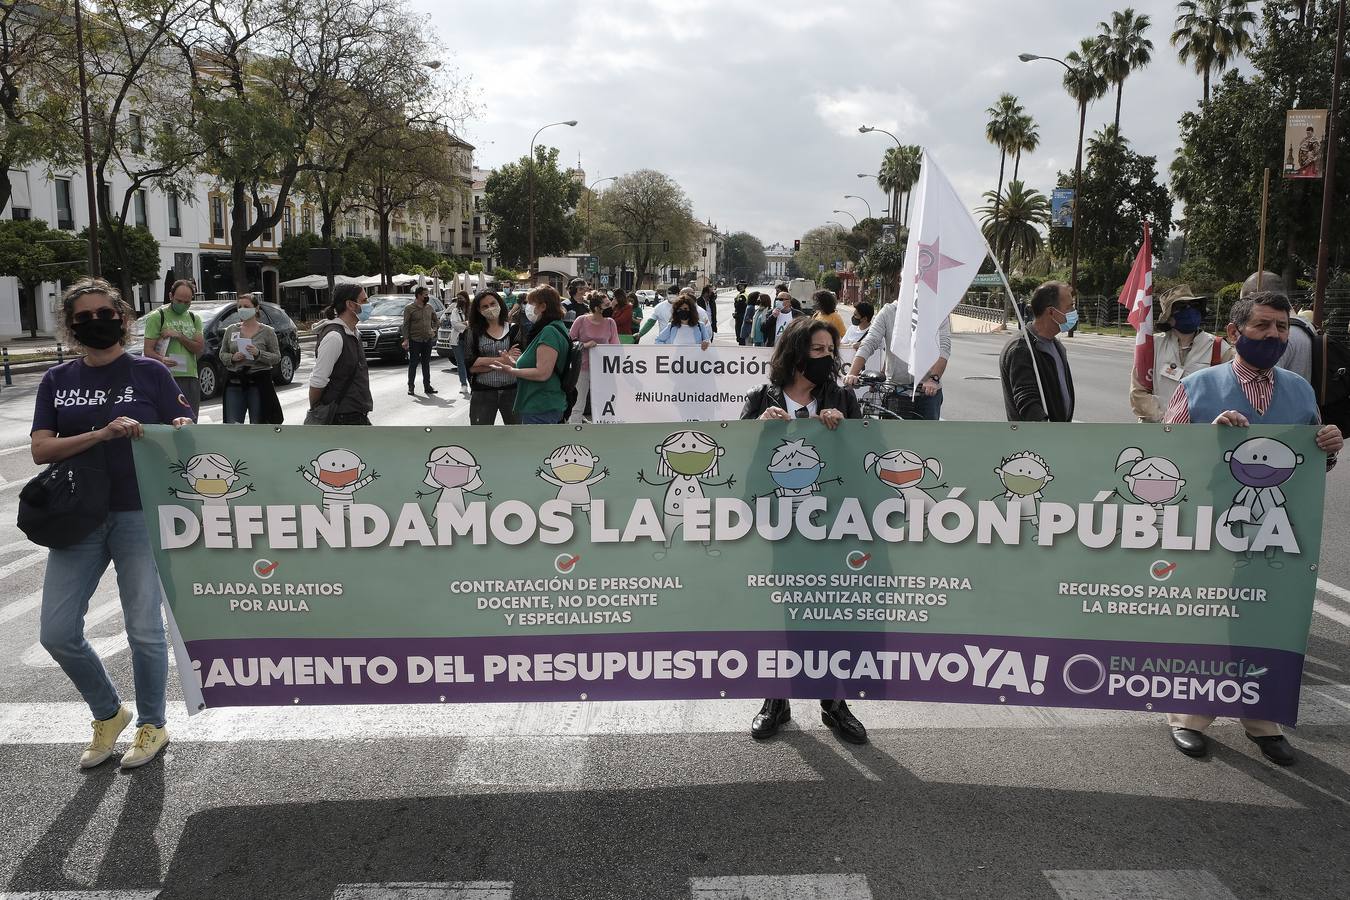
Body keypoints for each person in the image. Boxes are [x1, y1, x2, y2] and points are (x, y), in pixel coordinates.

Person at [1162, 291, 1342, 766]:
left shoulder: (1301, 391)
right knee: (1208, 621)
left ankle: (1261, 718)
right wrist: (1209, 435)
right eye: (1262, 326)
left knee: (1265, 622)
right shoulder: (1199, 386)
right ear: (1234, 332)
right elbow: (1166, 455)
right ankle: (1190, 715)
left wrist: (1329, 446)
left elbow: (1311, 465)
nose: (1274, 335)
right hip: (1209, 528)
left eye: (1282, 327)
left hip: (1278, 534)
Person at [31, 278, 195, 770]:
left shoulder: (150, 373)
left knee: (144, 629)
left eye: (105, 313)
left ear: (123, 318)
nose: (95, 323)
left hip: (137, 512)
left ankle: (152, 723)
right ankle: (109, 712)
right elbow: (41, 449)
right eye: (83, 318)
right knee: (57, 632)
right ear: (71, 326)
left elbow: (184, 433)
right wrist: (101, 433)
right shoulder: (57, 380)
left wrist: (179, 429)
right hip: (78, 516)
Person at [739, 316, 866, 745]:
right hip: (777, 529)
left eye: (831, 351)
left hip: (832, 527)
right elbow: (739, 464)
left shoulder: (842, 398)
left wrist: (842, 430)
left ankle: (834, 702)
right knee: (782, 613)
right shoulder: (762, 398)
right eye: (818, 350)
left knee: (830, 613)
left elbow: (863, 461)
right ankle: (776, 699)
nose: (827, 358)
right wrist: (760, 431)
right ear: (795, 354)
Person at [1130, 285, 1231, 423]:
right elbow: (1138, 393)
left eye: (1194, 305)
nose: (1189, 311)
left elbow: (1231, 392)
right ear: (1169, 318)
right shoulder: (1152, 346)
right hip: (1157, 432)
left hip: (1199, 433)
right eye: (1181, 307)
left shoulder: (1218, 347)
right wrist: (1168, 420)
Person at [999, 280, 1077, 422]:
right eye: (1070, 307)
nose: (1074, 312)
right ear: (1051, 312)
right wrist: (1043, 430)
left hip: (1057, 437)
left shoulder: (1055, 345)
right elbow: (1027, 400)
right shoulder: (1021, 348)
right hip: (1035, 440)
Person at [495, 285, 571, 424]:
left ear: (543, 306)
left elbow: (543, 373)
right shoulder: (549, 328)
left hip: (541, 405)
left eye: (530, 303)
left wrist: (512, 370)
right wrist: (513, 362)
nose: (527, 307)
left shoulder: (549, 331)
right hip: (540, 403)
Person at [308, 283, 373, 425]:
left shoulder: (353, 332)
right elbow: (318, 381)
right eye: (364, 300)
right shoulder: (334, 337)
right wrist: (317, 409)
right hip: (342, 417)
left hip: (356, 414)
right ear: (350, 304)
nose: (369, 305)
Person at [142, 278, 205, 415]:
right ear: (171, 296)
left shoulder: (195, 318)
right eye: (179, 301)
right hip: (166, 377)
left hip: (190, 377)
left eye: (187, 302)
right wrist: (162, 359)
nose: (183, 305)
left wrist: (179, 336)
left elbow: (199, 348)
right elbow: (147, 350)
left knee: (190, 421)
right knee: (169, 420)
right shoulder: (158, 317)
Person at [1241, 271, 1314, 383]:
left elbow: (1262, 382)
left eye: (1243, 302)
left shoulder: (1278, 336)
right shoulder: (1308, 326)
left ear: (1253, 295)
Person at [221, 293, 282, 423]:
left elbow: (276, 357)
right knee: (233, 425)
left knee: (258, 423)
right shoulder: (231, 330)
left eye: (246, 306)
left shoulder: (267, 331)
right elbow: (222, 354)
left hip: (258, 384)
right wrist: (232, 357)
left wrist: (259, 353)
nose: (242, 309)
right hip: (235, 382)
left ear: (256, 308)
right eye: (239, 306)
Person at [465, 289, 524, 425]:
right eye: (485, 306)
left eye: (493, 303)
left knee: (516, 437)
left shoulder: (514, 329)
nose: (490, 308)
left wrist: (482, 363)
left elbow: (516, 362)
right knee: (481, 437)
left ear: (500, 304)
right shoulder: (472, 332)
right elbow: (471, 365)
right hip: (482, 392)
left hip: (512, 392)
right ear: (479, 310)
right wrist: (504, 359)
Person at [568, 290, 621, 423]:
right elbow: (569, 342)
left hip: (603, 369)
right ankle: (574, 427)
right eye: (607, 305)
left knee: (605, 401)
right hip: (582, 368)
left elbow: (615, 345)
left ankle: (603, 426)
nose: (610, 307)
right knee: (578, 402)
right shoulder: (581, 320)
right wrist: (584, 345)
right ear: (597, 308)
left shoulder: (610, 323)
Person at [400, 286, 439, 396]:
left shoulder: (430, 307)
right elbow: (406, 325)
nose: (427, 296)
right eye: (425, 295)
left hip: (427, 340)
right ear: (419, 295)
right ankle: (411, 386)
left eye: (427, 294)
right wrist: (406, 339)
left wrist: (434, 331)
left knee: (426, 364)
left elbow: (436, 321)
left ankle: (427, 386)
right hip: (415, 340)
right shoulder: (409, 308)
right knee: (413, 363)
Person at [449, 291, 471, 396]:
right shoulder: (455, 310)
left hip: (469, 340)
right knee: (460, 363)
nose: (459, 300)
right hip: (457, 340)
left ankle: (472, 383)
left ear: (466, 299)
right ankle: (463, 384)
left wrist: (464, 323)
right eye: (458, 298)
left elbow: (474, 322)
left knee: (470, 362)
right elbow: (454, 324)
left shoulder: (472, 310)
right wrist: (467, 324)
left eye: (461, 298)